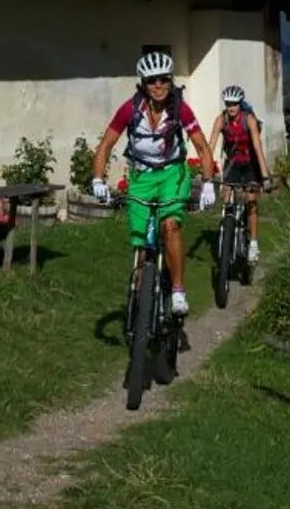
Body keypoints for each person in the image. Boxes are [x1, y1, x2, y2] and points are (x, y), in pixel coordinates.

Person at [89, 50, 217, 316]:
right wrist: (98, 179)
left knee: (170, 225)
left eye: (163, 79)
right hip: (142, 176)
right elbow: (105, 145)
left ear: (170, 80)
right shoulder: (130, 109)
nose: (158, 85)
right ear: (143, 84)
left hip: (172, 173)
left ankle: (179, 290)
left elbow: (202, 147)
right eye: (151, 80)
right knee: (140, 239)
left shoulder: (180, 108)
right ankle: (142, 284)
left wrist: (208, 182)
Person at [208, 84, 269, 262]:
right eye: (228, 104)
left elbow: (258, 148)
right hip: (233, 162)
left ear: (240, 104)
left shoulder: (248, 119)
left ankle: (253, 244)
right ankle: (228, 228)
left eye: (234, 104)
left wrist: (264, 176)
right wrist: (204, 171)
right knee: (226, 195)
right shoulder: (221, 120)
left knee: (251, 200)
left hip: (250, 162)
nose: (231, 107)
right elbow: (210, 146)